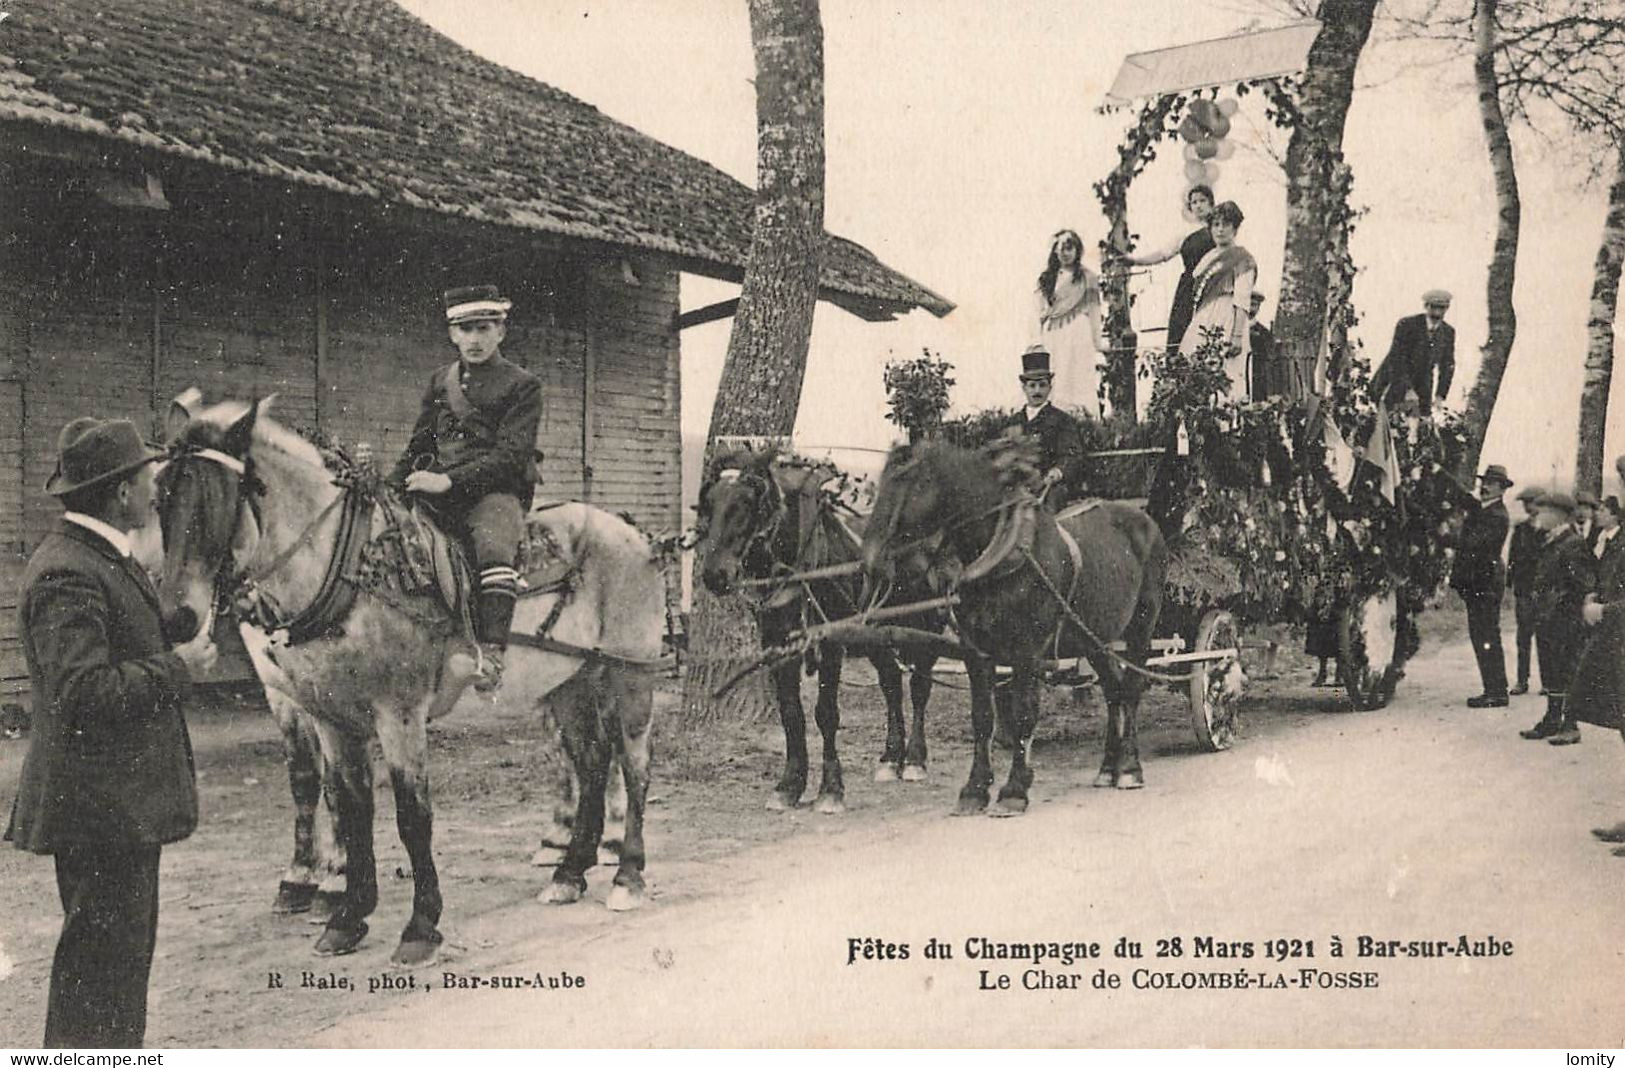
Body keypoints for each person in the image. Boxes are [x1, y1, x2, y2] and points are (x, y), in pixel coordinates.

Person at [6, 416, 218, 1047]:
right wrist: (178, 669)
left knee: (117, 973)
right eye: (149, 477)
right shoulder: (68, 571)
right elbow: (83, 694)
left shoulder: (96, 555)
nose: (157, 490)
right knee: (98, 979)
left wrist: (179, 625)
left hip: (115, 810)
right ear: (121, 492)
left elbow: (122, 635)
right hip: (98, 813)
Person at [391, 284, 542, 692]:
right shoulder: (441, 381)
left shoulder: (522, 385)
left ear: (501, 332)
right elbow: (419, 445)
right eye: (465, 329)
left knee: (493, 551)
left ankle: (491, 654)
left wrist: (449, 480)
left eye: (484, 328)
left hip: (494, 491)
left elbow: (511, 457)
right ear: (452, 334)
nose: (474, 339)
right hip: (438, 490)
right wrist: (388, 487)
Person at [1518, 491, 1596, 744]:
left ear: (1559, 514)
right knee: (1550, 670)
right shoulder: (1551, 540)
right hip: (1548, 618)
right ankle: (1552, 719)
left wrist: (1560, 603)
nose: (1538, 515)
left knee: (1566, 671)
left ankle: (1570, 725)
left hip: (1565, 620)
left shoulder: (1572, 543)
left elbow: (1583, 584)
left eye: (1544, 510)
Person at [1120, 184, 1216, 352]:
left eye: (1202, 200)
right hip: (1189, 287)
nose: (1198, 205)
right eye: (1194, 202)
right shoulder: (1185, 233)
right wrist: (1135, 261)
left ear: (1211, 203)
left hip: (1214, 284)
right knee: (1182, 332)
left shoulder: (1219, 230)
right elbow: (1163, 254)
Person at [1179, 201, 1257, 401]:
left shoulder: (1242, 258)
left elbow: (1242, 299)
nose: (1220, 230)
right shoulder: (1207, 258)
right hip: (1204, 317)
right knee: (1193, 368)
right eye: (1216, 224)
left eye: (1226, 224)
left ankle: (1227, 429)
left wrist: (1237, 336)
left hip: (1228, 318)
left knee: (1226, 378)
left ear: (1235, 228)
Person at [1452, 464, 1513, 707]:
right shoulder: (1485, 510)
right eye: (1484, 482)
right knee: (1482, 635)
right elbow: (1464, 499)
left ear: (1501, 489)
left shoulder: (1497, 515)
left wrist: (1449, 537)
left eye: (1491, 483)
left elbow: (1475, 545)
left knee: (1486, 635)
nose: (1484, 486)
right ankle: (1494, 689)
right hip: (1479, 585)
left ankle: (1497, 691)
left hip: (1485, 585)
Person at [1033, 229, 1108, 417]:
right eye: (1060, 249)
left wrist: (1097, 342)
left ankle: (1084, 422)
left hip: (1078, 332)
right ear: (1055, 252)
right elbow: (1039, 310)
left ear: (1077, 250)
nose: (1065, 253)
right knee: (1057, 376)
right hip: (1054, 334)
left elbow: (1094, 311)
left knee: (1079, 377)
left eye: (1069, 248)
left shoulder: (1088, 277)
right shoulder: (1047, 278)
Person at [1005, 346, 1084, 508]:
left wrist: (1058, 472)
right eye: (1032, 386)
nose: (1037, 391)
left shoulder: (1061, 420)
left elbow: (1072, 455)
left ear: (1050, 387)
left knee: (1044, 514)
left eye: (1042, 385)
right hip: (1018, 490)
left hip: (1050, 488)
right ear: (1024, 388)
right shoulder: (1013, 422)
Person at [1370, 290, 1455, 416]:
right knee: (1384, 421)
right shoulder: (1407, 325)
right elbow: (1397, 358)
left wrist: (1440, 396)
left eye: (1442, 308)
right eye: (1433, 307)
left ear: (1447, 308)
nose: (1437, 312)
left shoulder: (1448, 332)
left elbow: (1447, 365)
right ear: (1426, 306)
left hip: (1423, 385)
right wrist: (1408, 389)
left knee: (1421, 423)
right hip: (1394, 380)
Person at [1506, 485, 1544, 696]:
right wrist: (1511, 585)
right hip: (1524, 590)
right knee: (1523, 636)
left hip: (1546, 591)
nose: (1529, 507)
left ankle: (1548, 682)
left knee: (1546, 637)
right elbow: (1513, 559)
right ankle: (1522, 680)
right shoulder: (1520, 530)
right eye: (1526, 503)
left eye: (1532, 502)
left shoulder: (1550, 529)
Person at [1246, 291, 1277, 399]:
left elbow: (1269, 356)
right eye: (1249, 304)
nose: (1251, 309)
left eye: (1254, 305)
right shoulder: (1235, 328)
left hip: (1256, 375)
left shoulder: (1264, 332)